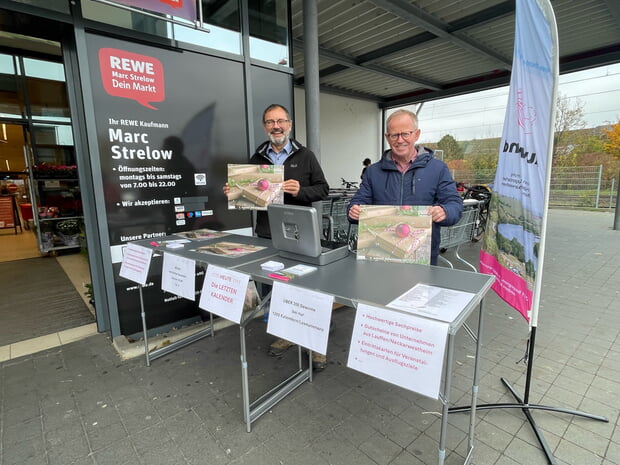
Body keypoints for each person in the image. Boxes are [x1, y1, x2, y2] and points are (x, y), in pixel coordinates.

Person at [223, 103, 330, 370]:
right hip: (267, 232)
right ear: (265, 127)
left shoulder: (306, 156)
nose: (276, 126)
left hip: (300, 235)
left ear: (290, 125)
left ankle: (316, 346)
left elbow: (323, 189)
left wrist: (300, 190)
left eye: (281, 121)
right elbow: (250, 194)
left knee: (309, 288)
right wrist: (234, 192)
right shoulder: (257, 157)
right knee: (276, 287)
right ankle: (287, 335)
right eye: (270, 122)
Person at [347, 109, 462, 266]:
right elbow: (359, 200)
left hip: (422, 254)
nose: (400, 140)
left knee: (419, 291)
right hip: (380, 254)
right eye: (394, 135)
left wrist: (445, 211)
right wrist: (353, 210)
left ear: (416, 134)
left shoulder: (438, 168)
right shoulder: (373, 172)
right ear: (387, 137)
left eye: (405, 134)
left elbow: (454, 203)